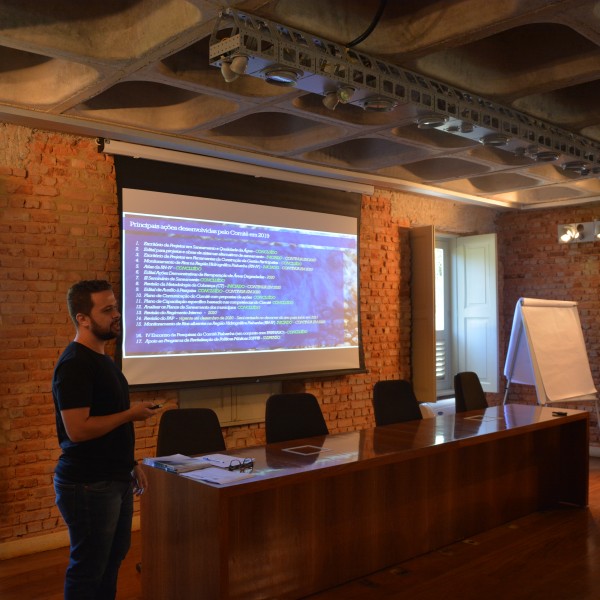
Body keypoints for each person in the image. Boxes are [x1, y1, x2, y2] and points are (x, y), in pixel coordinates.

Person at [52, 279, 158, 599]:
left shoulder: (104, 360)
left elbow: (108, 421)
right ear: (83, 318)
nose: (117, 315)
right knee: (89, 568)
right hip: (87, 483)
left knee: (112, 559)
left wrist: (130, 463)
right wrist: (130, 414)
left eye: (116, 307)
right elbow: (78, 430)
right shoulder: (74, 364)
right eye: (107, 309)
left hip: (114, 478)